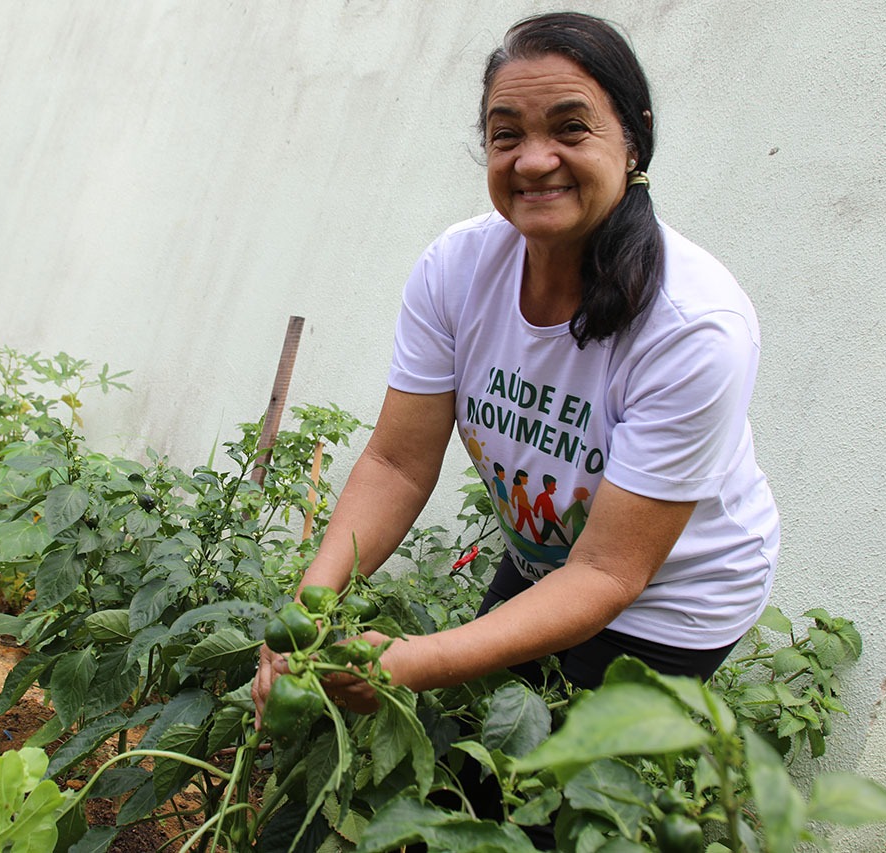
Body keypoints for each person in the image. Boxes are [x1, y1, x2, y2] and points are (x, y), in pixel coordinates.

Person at [253, 7, 779, 829]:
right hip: (551, 560)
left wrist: (413, 661)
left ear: (634, 140)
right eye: (507, 135)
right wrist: (307, 609)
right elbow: (397, 463)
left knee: (546, 807)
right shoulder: (459, 268)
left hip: (673, 598)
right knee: (473, 766)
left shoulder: (693, 326)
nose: (535, 160)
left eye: (571, 127)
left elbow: (610, 574)